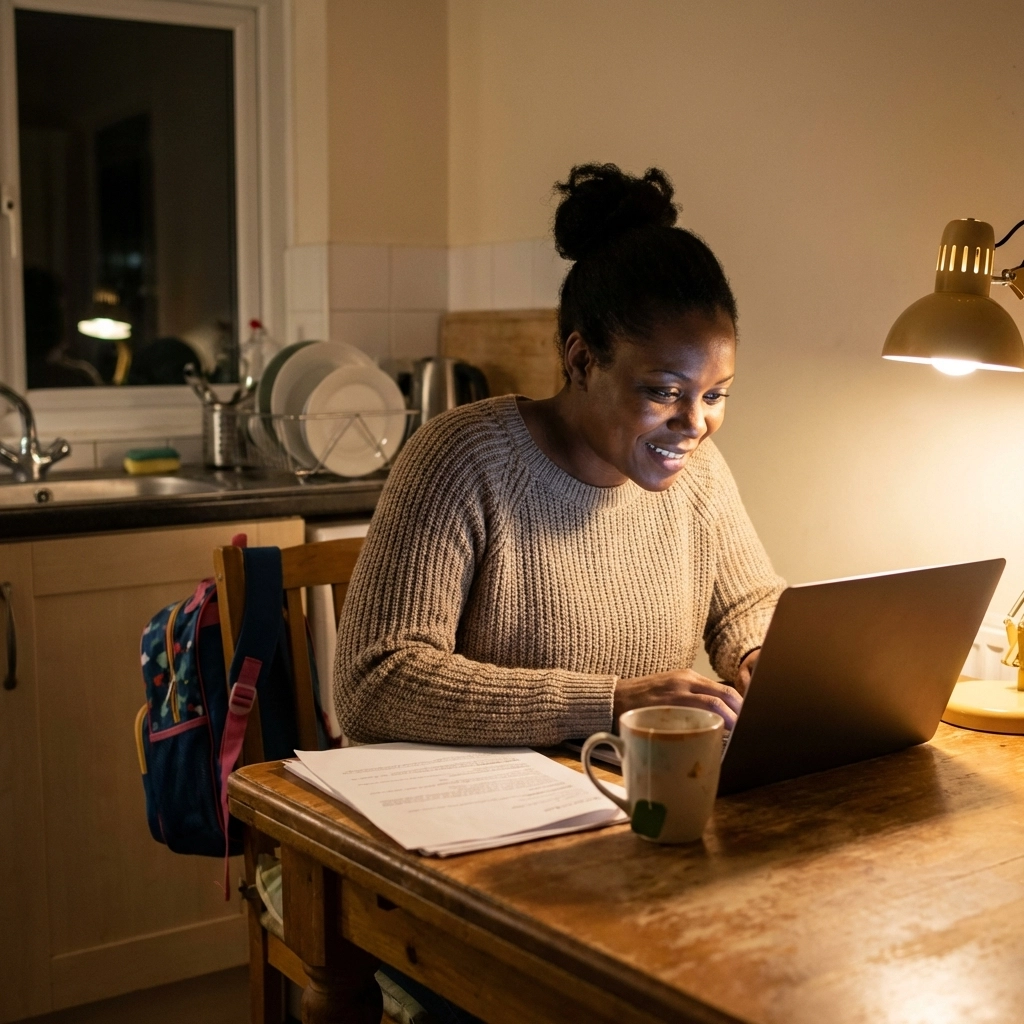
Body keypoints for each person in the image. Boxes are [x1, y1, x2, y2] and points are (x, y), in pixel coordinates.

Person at [334, 162, 784, 747]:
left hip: (622, 788)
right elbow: (374, 684)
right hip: (477, 814)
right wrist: (609, 702)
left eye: (715, 394)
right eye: (664, 391)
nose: (694, 425)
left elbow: (747, 603)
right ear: (580, 361)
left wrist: (756, 652)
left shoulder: (698, 472)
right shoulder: (462, 460)